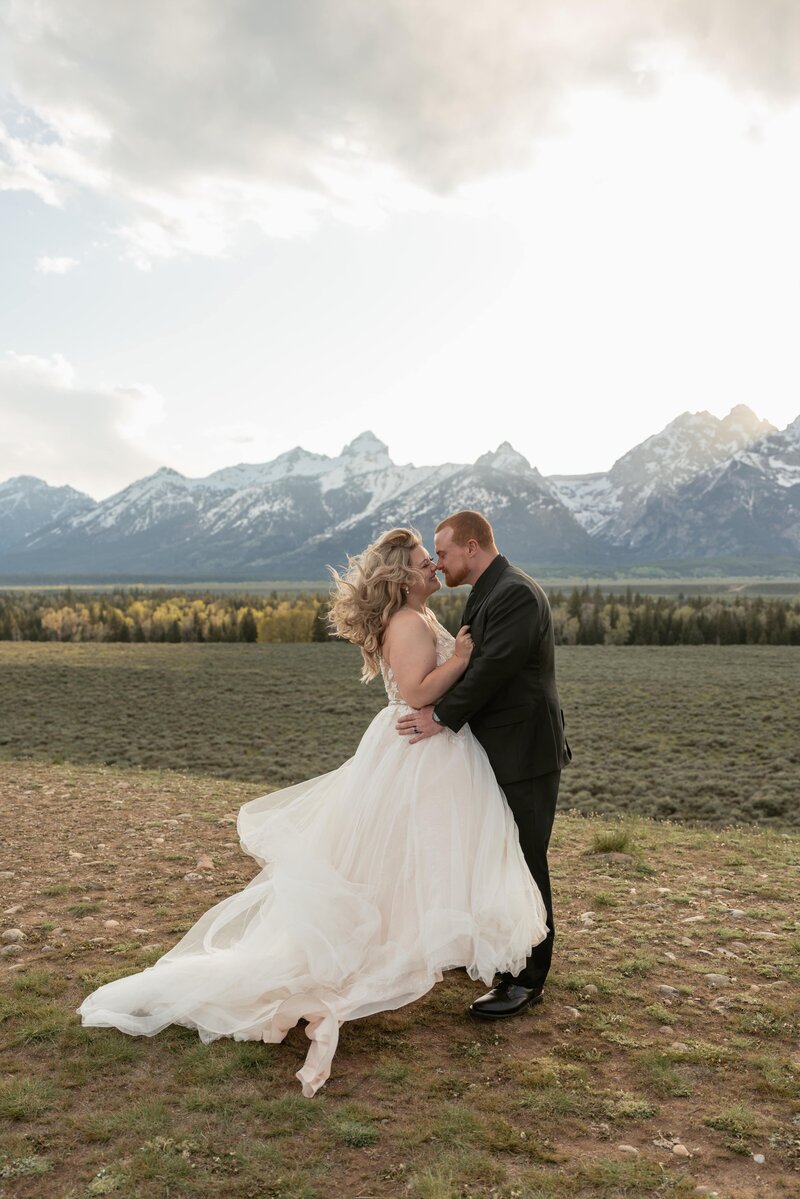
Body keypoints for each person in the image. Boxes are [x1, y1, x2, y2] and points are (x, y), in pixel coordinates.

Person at [78, 527, 548, 1097]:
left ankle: (437, 948)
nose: (434, 568)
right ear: (401, 575)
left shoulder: (421, 617)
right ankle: (381, 956)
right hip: (418, 749)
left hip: (434, 753)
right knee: (399, 859)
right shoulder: (405, 622)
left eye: (436, 558)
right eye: (426, 561)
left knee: (420, 857)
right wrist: (465, 659)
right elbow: (418, 692)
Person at [396, 511, 571, 1020]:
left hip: (525, 751)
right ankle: (501, 954)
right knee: (498, 856)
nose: (438, 562)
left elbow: (493, 669)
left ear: (472, 548)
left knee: (526, 860)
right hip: (499, 750)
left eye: (444, 553)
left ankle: (526, 980)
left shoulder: (514, 592)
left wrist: (440, 717)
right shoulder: (490, 589)